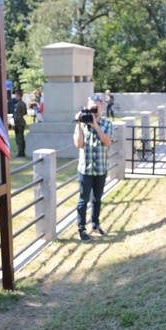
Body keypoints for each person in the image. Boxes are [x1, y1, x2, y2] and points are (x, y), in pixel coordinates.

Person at [73, 94, 113, 241]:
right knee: (83, 200)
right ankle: (81, 229)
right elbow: (78, 144)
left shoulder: (107, 124)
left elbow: (107, 142)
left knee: (97, 199)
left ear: (102, 107)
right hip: (85, 169)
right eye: (91, 108)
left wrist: (96, 125)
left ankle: (95, 225)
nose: (94, 110)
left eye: (96, 107)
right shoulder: (82, 124)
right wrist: (78, 124)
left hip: (101, 168)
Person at [12, 90, 28, 158]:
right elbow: (25, 112)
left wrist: (14, 122)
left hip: (18, 123)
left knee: (19, 138)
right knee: (20, 138)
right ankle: (21, 152)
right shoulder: (23, 103)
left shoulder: (19, 104)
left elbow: (17, 115)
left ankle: (21, 152)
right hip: (21, 122)